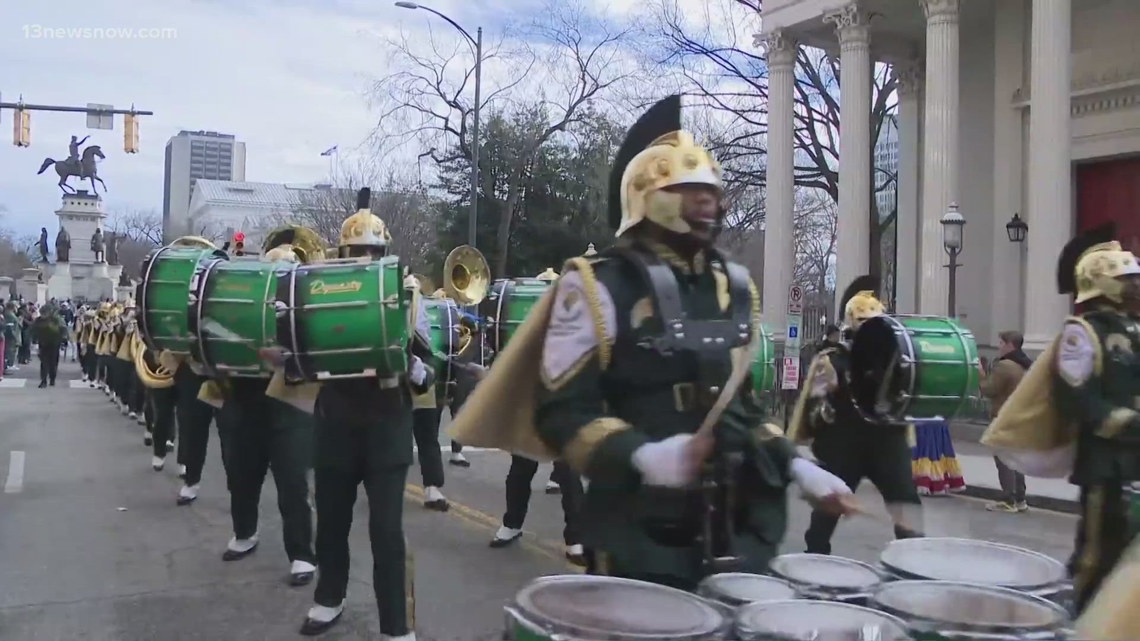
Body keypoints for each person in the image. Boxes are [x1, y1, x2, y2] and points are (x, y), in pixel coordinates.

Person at [450, 95, 855, 590]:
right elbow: (563, 412)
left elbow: (742, 410)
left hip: (733, 527)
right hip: (637, 532)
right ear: (647, 197)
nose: (708, 203)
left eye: (710, 192)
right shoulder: (596, 286)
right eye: (689, 191)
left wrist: (796, 464)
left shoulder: (730, 287)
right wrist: (643, 455)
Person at [291, 188, 433, 640]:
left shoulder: (408, 295)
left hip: (387, 426)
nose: (365, 259)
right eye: (357, 252)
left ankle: (396, 624)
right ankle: (329, 598)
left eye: (372, 251)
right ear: (343, 254)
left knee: (386, 531)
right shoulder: (319, 292)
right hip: (334, 423)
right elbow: (298, 356)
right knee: (331, 524)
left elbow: (430, 368)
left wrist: (414, 366)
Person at [208, 235, 316, 585]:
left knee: (292, 482)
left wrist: (288, 359)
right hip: (245, 398)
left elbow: (318, 355)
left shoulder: (307, 308)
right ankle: (244, 533)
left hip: (290, 402)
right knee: (241, 474)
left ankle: (302, 554)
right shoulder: (242, 305)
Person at [789, 277, 924, 555]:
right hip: (845, 444)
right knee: (829, 505)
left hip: (886, 442)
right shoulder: (832, 359)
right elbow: (815, 408)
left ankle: (913, 558)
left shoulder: (899, 358)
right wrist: (826, 402)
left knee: (905, 502)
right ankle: (815, 557)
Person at [1046, 223, 1140, 614]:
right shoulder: (1081, 333)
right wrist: (1130, 423)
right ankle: (1078, 621)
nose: (1136, 286)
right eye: (1127, 279)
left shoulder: (1135, 328)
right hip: (1105, 463)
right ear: (1102, 283)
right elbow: (1078, 401)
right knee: (1096, 556)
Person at [979, 329, 1032, 513]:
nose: (999, 347)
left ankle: (1009, 499)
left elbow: (988, 389)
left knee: (1004, 459)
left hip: (1003, 417)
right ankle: (1020, 499)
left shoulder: (1005, 366)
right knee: (1016, 459)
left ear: (1010, 345)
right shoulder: (1025, 364)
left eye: (1001, 343)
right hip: (1020, 417)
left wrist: (980, 374)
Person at [32, 303, 67, 387]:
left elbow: (63, 329)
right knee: (44, 363)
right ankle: (43, 381)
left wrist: (64, 341)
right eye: (42, 313)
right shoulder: (38, 320)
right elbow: (34, 330)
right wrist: (35, 341)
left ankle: (52, 378)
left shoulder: (56, 320)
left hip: (55, 343)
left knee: (53, 362)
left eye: (44, 313)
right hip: (43, 343)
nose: (43, 315)